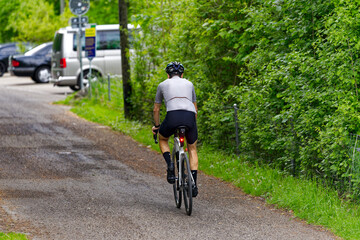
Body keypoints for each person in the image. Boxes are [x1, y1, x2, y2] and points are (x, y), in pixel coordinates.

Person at [152, 61, 199, 197]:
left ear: (168, 75)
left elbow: (156, 109)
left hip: (172, 116)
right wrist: (192, 126)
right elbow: (195, 109)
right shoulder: (189, 84)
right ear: (182, 74)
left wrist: (157, 126)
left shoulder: (162, 85)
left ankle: (170, 166)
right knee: (192, 148)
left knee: (163, 139)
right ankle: (194, 184)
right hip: (189, 117)